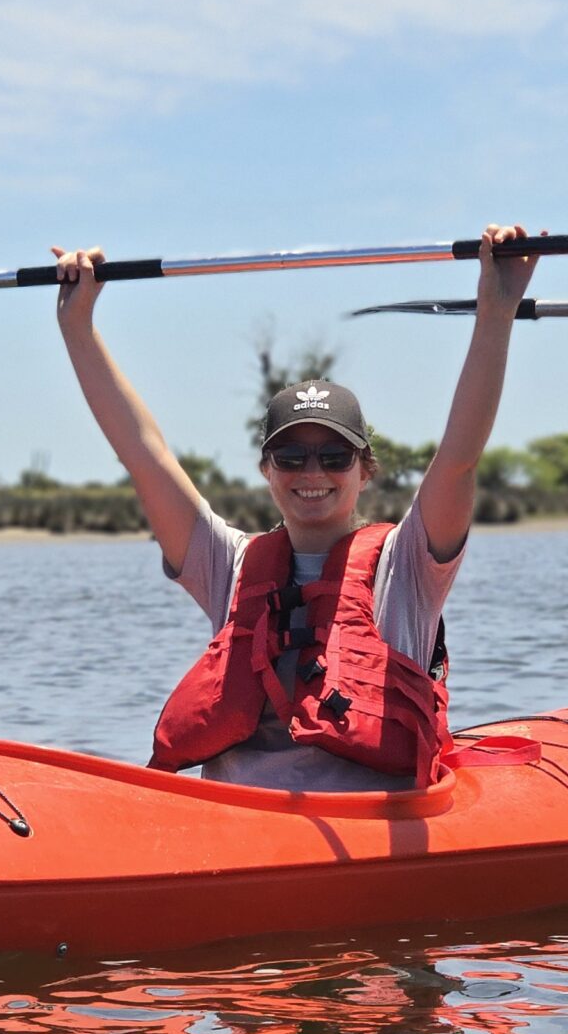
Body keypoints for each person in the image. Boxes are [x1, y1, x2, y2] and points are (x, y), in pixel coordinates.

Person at [52, 226, 537, 790]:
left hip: (369, 826)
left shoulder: (407, 565)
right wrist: (78, 329)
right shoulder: (228, 564)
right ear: (267, 471)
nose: (312, 474)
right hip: (236, 821)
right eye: (290, 457)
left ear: (365, 470)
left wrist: (496, 311)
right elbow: (143, 453)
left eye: (334, 456)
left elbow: (458, 457)